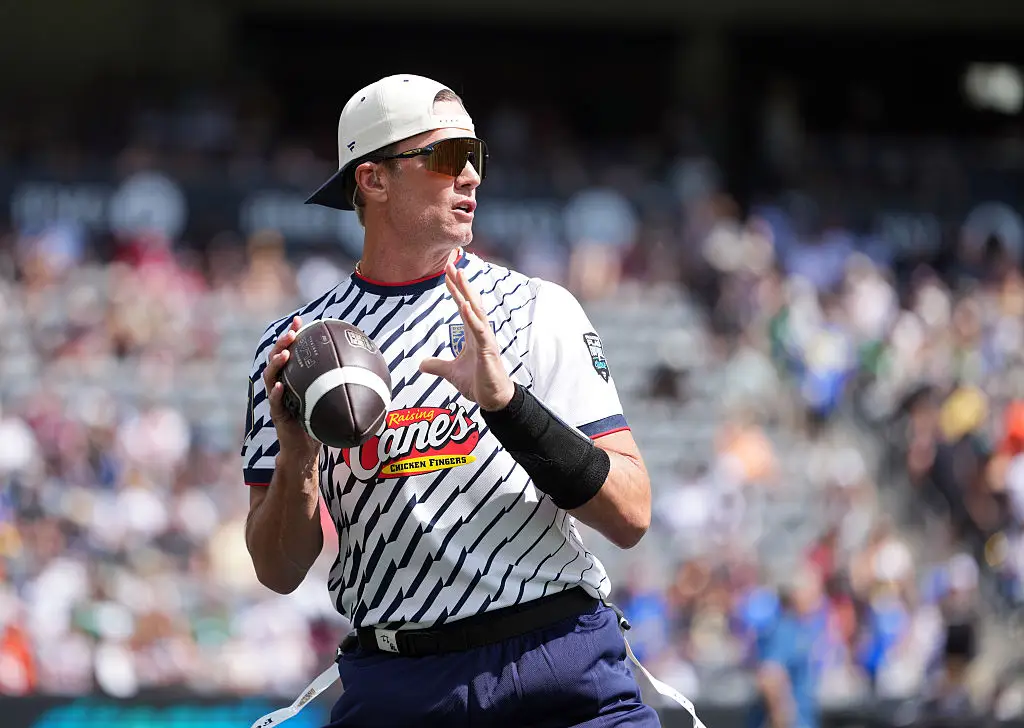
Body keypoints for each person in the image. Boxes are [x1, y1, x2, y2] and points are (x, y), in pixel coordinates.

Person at [241, 74, 703, 728]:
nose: (472, 177)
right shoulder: (298, 351)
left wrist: (510, 406)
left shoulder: (538, 310)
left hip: (558, 668)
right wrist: (297, 457)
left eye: (476, 157)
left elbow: (630, 513)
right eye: (448, 157)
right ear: (372, 180)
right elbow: (277, 569)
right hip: (400, 688)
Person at [749, 566, 824, 728]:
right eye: (812, 591)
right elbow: (770, 678)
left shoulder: (798, 628)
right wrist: (782, 720)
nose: (817, 598)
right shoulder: (785, 630)